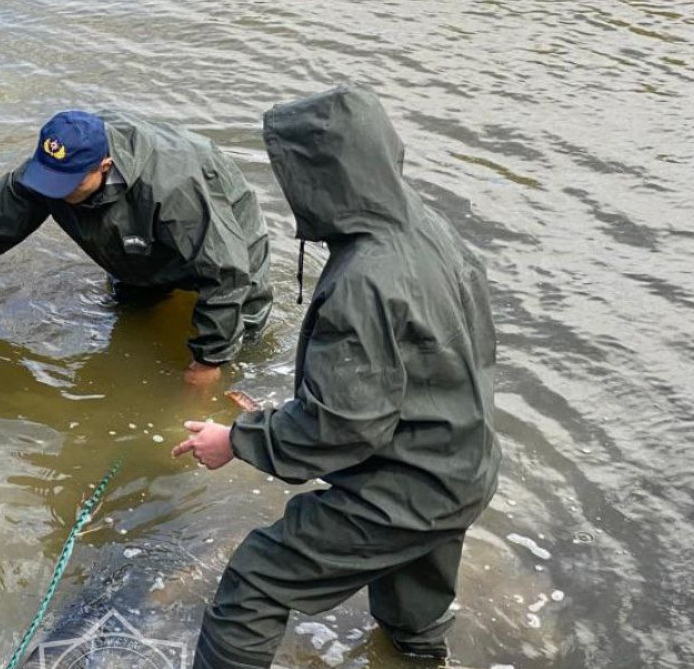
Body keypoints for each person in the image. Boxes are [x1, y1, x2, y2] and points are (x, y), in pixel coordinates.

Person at [172, 85, 501, 667]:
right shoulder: (427, 225)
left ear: (319, 177)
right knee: (412, 605)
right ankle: (414, 656)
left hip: (405, 490)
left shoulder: (363, 280)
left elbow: (345, 426)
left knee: (256, 581)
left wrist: (238, 440)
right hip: (464, 465)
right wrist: (280, 417)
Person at [0, 110, 272, 385]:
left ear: (104, 167)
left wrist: (208, 363)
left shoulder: (175, 190)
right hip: (134, 246)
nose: (51, 191)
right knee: (133, 324)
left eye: (65, 183)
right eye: (46, 179)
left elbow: (227, 272)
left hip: (225, 239)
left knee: (241, 351)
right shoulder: (52, 170)